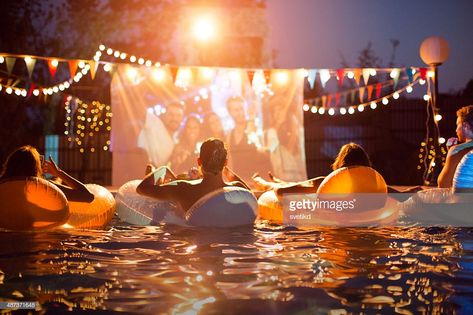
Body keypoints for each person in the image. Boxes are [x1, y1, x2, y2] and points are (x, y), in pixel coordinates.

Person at [137, 138, 251, 216]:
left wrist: (161, 170)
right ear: (226, 163)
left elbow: (142, 188)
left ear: (199, 161)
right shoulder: (238, 189)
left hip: (192, 241)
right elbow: (251, 198)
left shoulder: (183, 189)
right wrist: (227, 171)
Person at [0, 145, 94, 202]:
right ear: (35, 168)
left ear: (10, 164)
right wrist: (59, 173)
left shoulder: (2, 184)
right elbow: (88, 197)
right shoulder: (43, 187)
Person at [225, 96, 269, 180]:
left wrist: (251, 118)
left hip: (256, 180)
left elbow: (263, 152)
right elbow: (230, 162)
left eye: (242, 108)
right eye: (236, 110)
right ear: (230, 112)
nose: (240, 112)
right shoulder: (230, 135)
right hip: (240, 182)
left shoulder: (255, 127)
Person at [137, 102, 184, 167]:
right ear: (165, 115)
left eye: (178, 115)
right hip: (139, 168)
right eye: (171, 114)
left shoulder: (175, 140)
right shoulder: (155, 122)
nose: (174, 118)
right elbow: (138, 108)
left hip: (154, 175)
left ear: (182, 118)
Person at [438, 105, 473, 188]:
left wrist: (450, 154)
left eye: (458, 125)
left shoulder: (457, 150)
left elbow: (443, 184)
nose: (456, 130)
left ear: (465, 126)